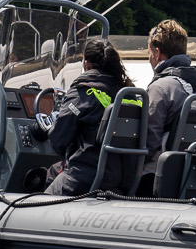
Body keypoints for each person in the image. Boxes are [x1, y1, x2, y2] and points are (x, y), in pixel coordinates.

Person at [43, 37, 134, 196]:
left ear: (87, 63)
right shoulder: (129, 94)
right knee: (53, 171)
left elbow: (58, 140)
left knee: (38, 208)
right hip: (120, 178)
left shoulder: (84, 92)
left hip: (85, 176)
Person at [142, 19, 196, 151]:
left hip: (159, 168)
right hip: (194, 166)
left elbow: (149, 143)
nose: (149, 59)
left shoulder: (160, 88)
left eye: (149, 54)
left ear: (157, 53)